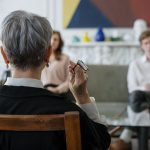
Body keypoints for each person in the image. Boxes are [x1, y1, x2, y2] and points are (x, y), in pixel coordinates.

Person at [0, 10, 110, 150]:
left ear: (4, 55)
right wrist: (82, 97)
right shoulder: (68, 111)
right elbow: (100, 144)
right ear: (48, 54)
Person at [109, 30, 150, 150]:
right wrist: (144, 87)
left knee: (136, 109)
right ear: (142, 46)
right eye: (146, 43)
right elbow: (132, 87)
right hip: (140, 97)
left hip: (142, 103)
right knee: (135, 96)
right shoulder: (135, 64)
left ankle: (125, 139)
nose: (149, 46)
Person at [41, 31, 74, 102]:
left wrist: (57, 90)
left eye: (55, 39)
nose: (52, 42)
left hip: (61, 92)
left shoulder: (65, 58)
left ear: (59, 42)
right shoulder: (40, 57)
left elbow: (69, 80)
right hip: (43, 91)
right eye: (50, 39)